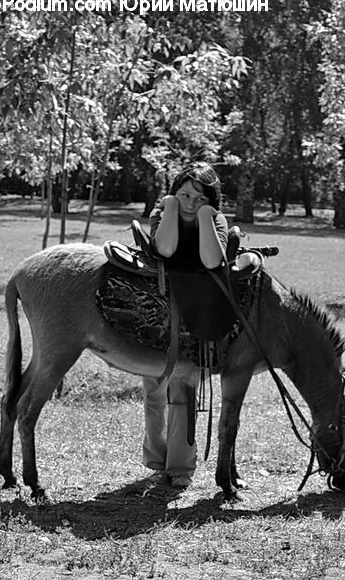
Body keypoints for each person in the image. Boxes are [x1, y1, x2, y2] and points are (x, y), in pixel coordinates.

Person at [142, 162, 228, 488]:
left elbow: (211, 260)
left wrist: (207, 216)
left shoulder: (213, 219)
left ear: (210, 200)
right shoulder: (164, 211)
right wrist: (171, 207)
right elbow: (164, 248)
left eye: (200, 198)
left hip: (196, 315)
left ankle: (179, 467)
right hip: (156, 314)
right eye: (184, 195)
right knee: (153, 391)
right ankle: (156, 460)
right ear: (174, 193)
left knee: (182, 393)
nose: (191, 203)